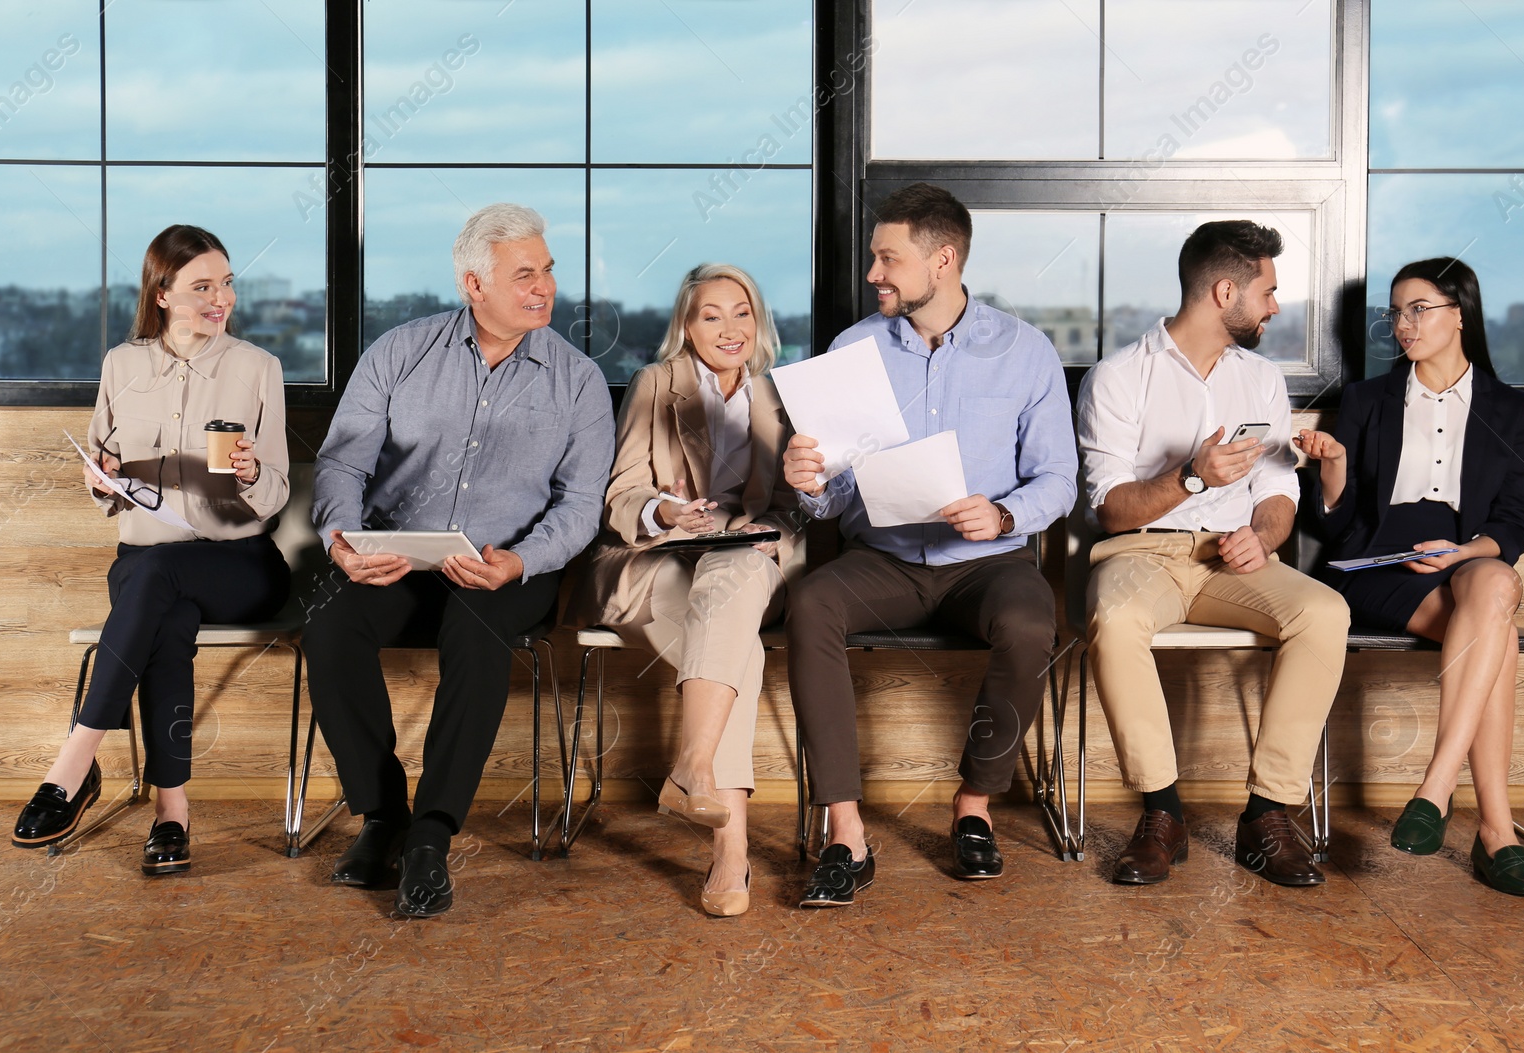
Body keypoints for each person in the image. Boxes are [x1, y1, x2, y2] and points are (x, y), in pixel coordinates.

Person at [305, 203, 613, 918]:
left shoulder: (578, 381)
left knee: (476, 631)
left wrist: (522, 560)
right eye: (524, 273)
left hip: (505, 569)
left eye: (548, 270)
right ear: (474, 283)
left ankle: (430, 839)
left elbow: (579, 506)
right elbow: (342, 465)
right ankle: (383, 816)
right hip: (398, 558)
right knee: (328, 623)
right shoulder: (397, 354)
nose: (544, 287)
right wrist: (343, 543)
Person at [783, 182, 1076, 906]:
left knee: (1031, 621)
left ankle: (973, 806)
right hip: (882, 560)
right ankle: (845, 831)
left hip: (988, 564)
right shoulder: (853, 349)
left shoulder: (1025, 350)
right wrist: (808, 482)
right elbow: (833, 498)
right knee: (811, 603)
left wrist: (1005, 516)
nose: (874, 273)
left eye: (889, 259)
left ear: (943, 260)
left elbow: (1060, 478)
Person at [11, 225, 291, 875]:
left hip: (238, 562)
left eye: (226, 284)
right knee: (166, 612)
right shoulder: (122, 366)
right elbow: (107, 482)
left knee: (160, 578)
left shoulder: (258, 369)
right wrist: (100, 481)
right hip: (145, 565)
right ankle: (171, 813)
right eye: (201, 286)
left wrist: (250, 474)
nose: (220, 298)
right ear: (161, 293)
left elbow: (275, 492)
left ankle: (73, 765)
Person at [1077, 219, 1348, 888]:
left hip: (1234, 559)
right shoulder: (1118, 377)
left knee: (1324, 612)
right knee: (1115, 622)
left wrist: (1264, 536)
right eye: (1268, 291)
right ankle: (1162, 815)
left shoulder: (1259, 379)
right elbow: (1109, 506)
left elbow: (1280, 487)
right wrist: (1192, 477)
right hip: (1141, 555)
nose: (1276, 306)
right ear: (1225, 291)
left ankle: (1267, 813)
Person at [1296, 258, 1524, 896]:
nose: (1401, 325)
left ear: (1459, 314)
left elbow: (1515, 523)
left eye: (1418, 309)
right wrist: (1332, 467)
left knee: (1492, 587)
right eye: (1395, 312)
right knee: (1500, 635)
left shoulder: (1510, 408)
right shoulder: (1365, 400)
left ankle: (1435, 789)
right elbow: (1333, 526)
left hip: (1467, 560)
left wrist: (1462, 553)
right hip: (1376, 564)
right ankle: (1497, 832)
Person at [570, 263, 805, 917]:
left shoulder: (777, 396)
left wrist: (768, 529)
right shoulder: (655, 384)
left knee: (735, 577)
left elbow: (798, 505)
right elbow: (619, 496)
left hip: (742, 563)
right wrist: (664, 513)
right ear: (686, 324)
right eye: (711, 314)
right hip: (653, 564)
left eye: (742, 312)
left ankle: (696, 776)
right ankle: (729, 847)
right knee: (740, 653)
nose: (729, 328)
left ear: (758, 322)